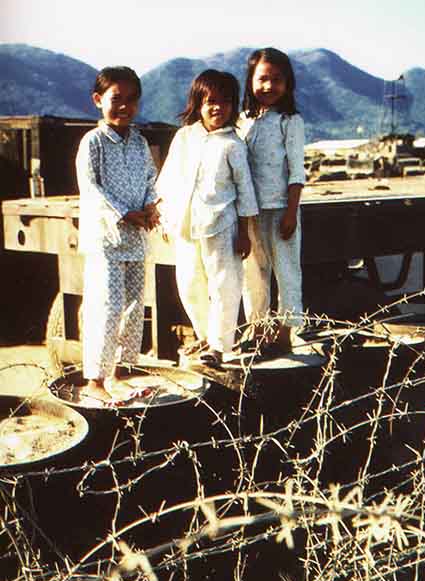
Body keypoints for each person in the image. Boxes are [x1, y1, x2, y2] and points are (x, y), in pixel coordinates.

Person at [156, 69, 258, 366]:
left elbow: (245, 193)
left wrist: (244, 232)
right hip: (186, 227)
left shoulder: (233, 145)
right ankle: (204, 335)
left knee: (225, 285)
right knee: (188, 283)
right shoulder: (184, 137)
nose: (218, 107)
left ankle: (218, 345)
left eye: (225, 101)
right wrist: (163, 216)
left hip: (222, 227)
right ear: (197, 103)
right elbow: (167, 180)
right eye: (210, 100)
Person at [75, 66, 158, 400]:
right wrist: (125, 213)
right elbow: (90, 187)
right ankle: (94, 380)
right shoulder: (92, 142)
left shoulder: (139, 142)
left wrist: (152, 206)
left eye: (132, 99)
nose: (124, 106)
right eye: (116, 99)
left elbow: (152, 178)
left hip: (136, 239)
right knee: (106, 306)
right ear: (98, 100)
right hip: (105, 240)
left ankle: (122, 372)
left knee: (135, 306)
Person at [238, 47, 306, 356]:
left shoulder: (290, 121)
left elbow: (296, 172)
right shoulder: (243, 121)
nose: (268, 86)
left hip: (281, 210)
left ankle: (286, 333)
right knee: (254, 273)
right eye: (262, 78)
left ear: (287, 83)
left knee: (287, 271)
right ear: (250, 80)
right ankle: (257, 328)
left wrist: (291, 212)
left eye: (276, 79)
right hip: (249, 212)